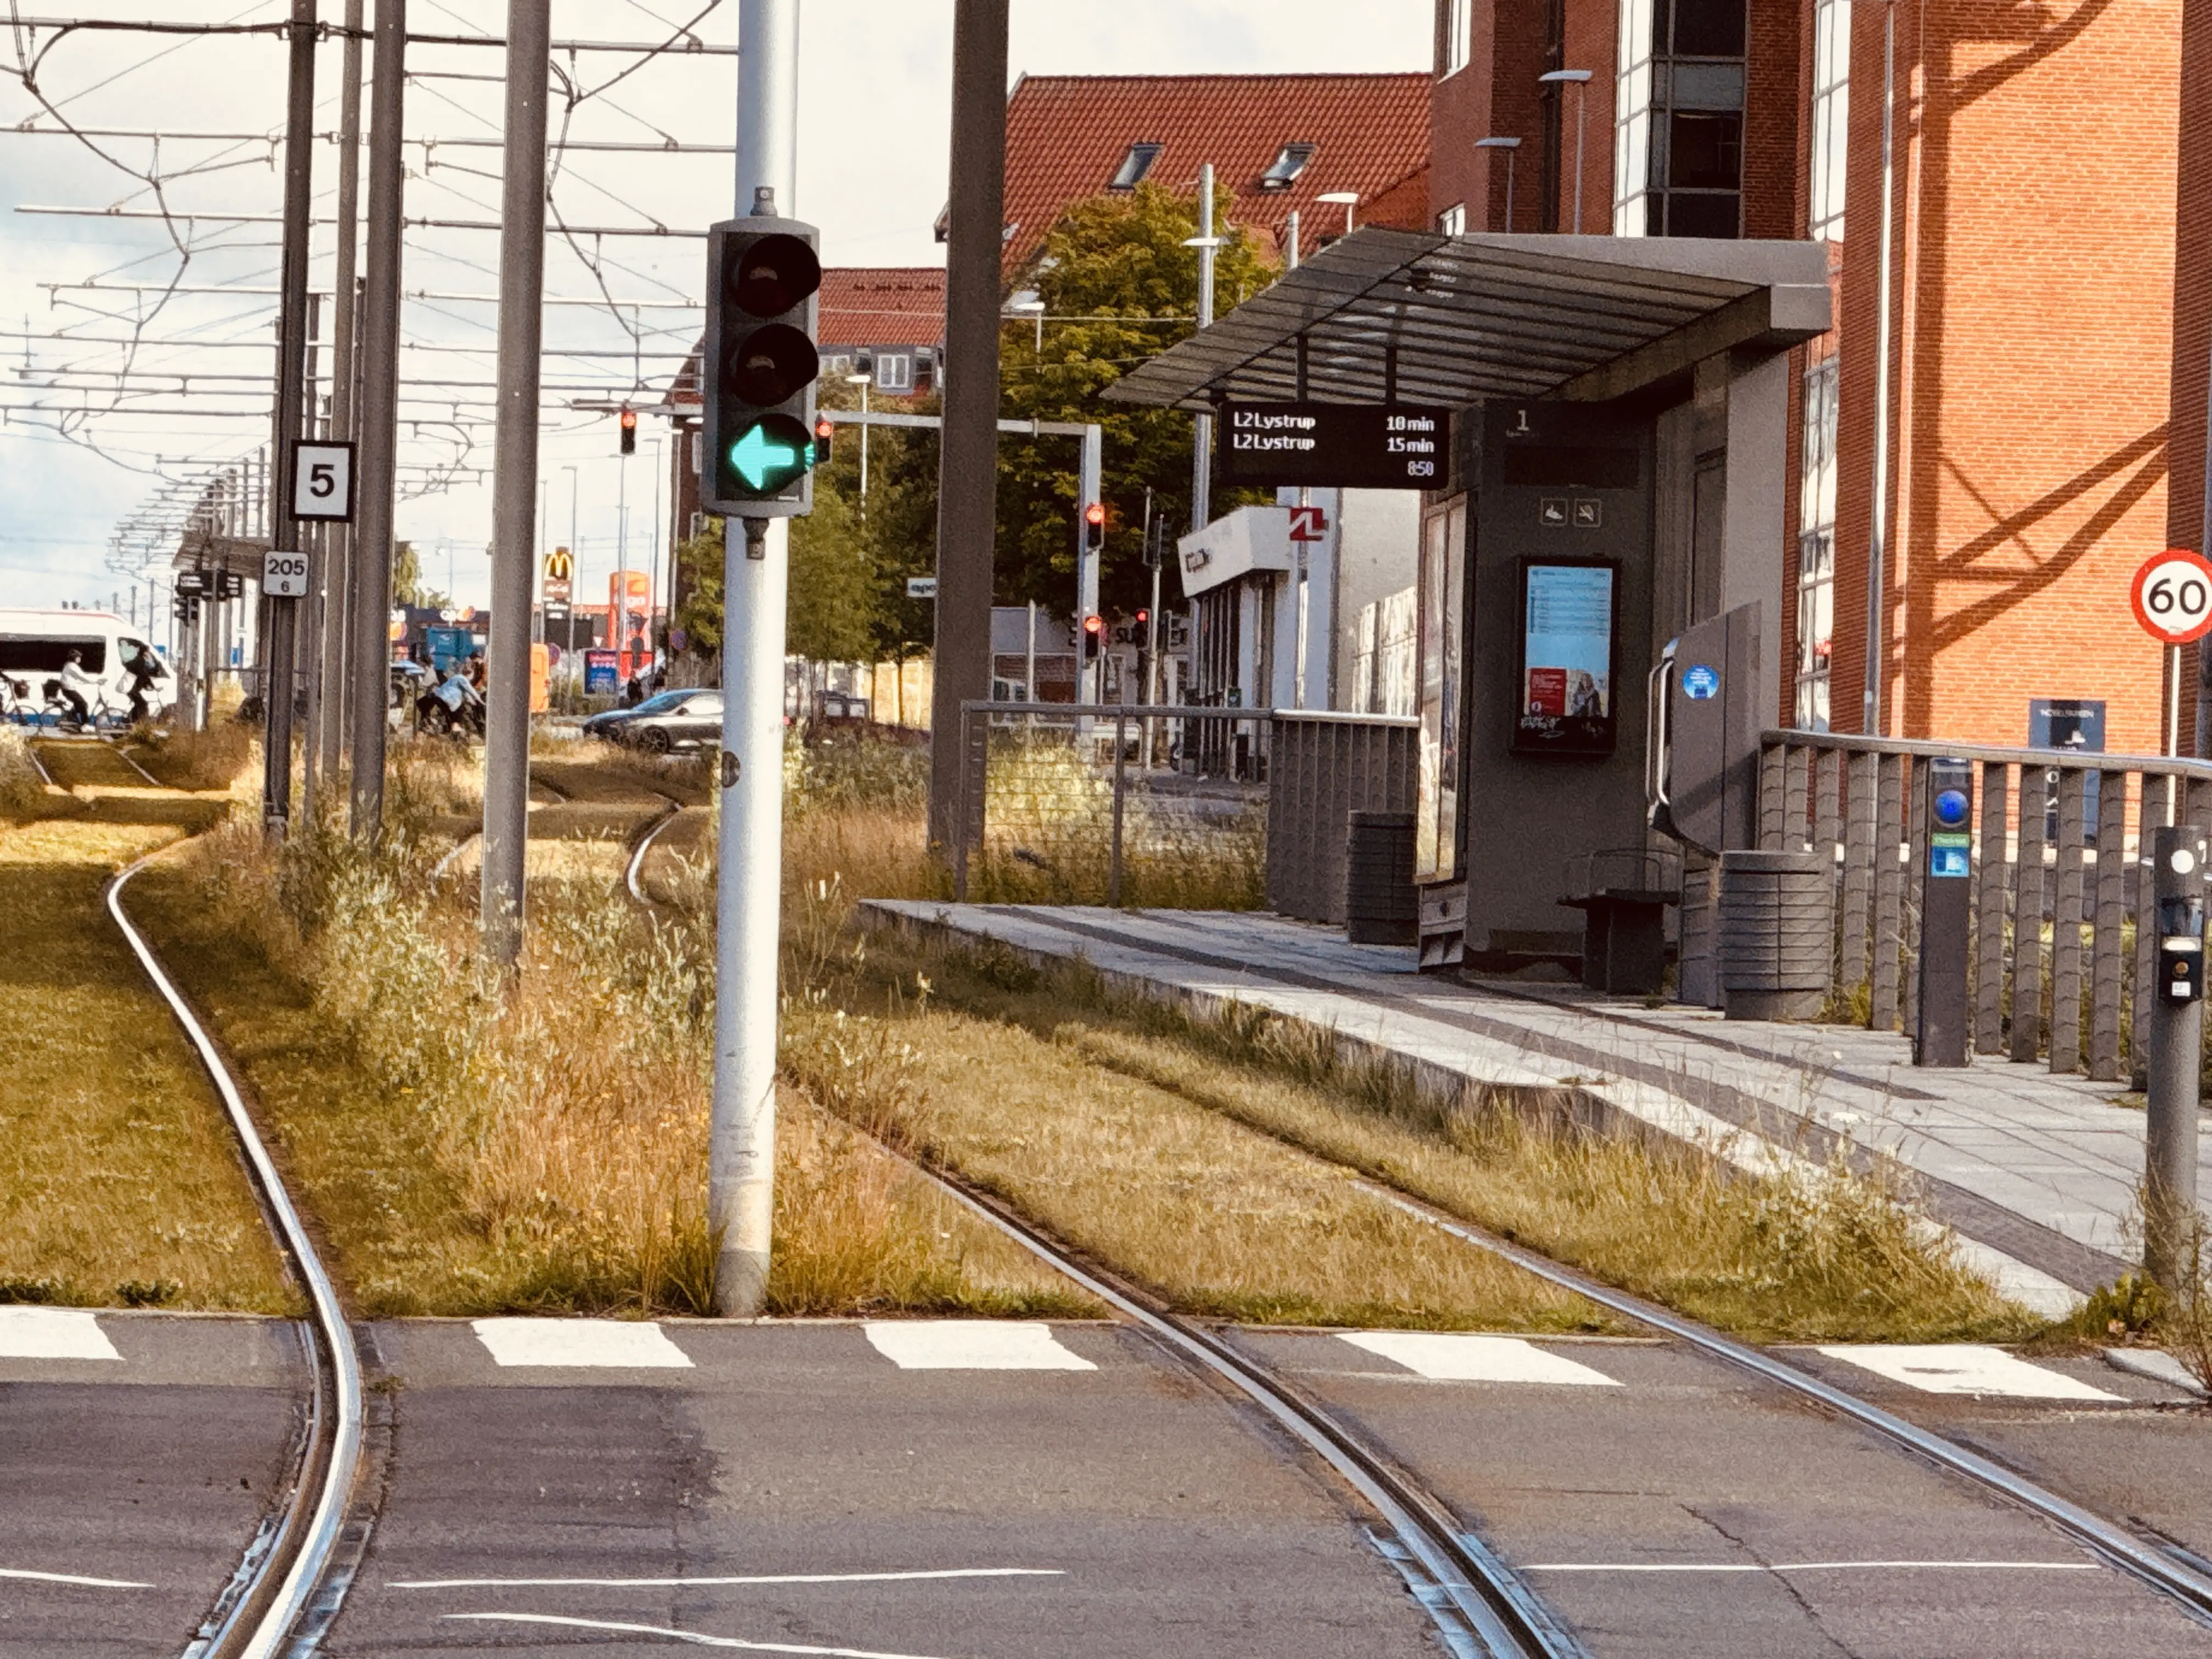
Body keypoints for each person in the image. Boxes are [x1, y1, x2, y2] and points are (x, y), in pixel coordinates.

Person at [56, 648, 99, 726]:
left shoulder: (69, 665)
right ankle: (85, 724)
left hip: (68, 689)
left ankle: (73, 717)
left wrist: (91, 682)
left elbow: (79, 679)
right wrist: (96, 681)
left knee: (78, 704)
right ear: (75, 658)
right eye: (79, 657)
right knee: (83, 704)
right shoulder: (72, 666)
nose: (80, 659)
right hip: (68, 690)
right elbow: (82, 676)